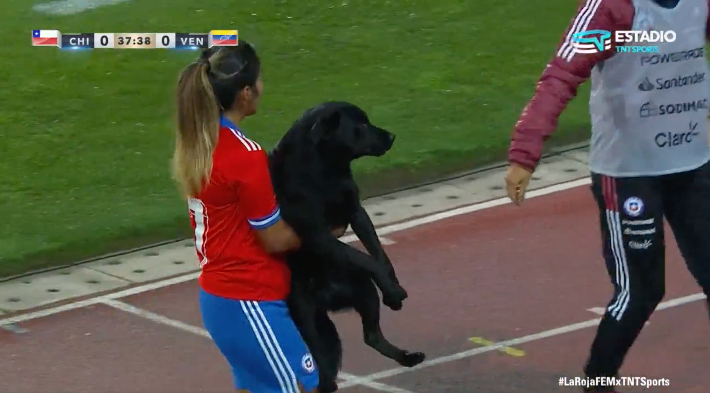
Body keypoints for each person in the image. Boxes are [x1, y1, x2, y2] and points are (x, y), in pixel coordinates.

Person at [503, 0, 710, 391]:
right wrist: (524, 153)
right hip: (630, 174)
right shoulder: (610, 9)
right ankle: (597, 382)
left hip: (692, 164)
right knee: (640, 292)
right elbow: (561, 74)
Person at [172, 43, 344, 393]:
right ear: (246, 93)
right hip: (249, 301)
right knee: (304, 385)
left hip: (226, 299)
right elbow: (274, 237)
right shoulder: (245, 154)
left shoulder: (202, 143)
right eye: (259, 79)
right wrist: (325, 233)